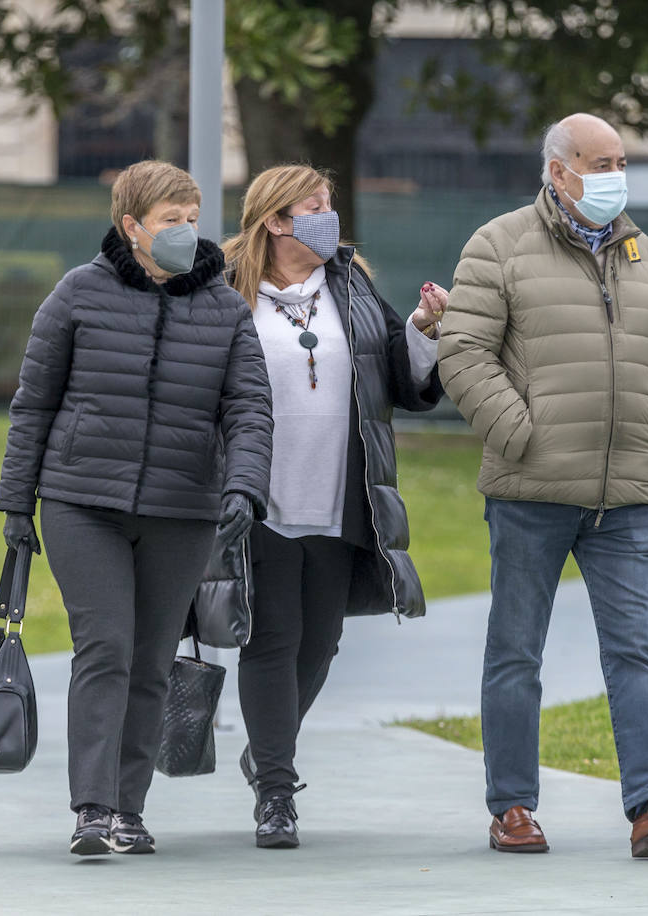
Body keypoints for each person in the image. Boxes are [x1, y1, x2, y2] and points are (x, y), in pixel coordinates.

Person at [438, 114, 648, 858]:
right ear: (558, 170)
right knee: (517, 653)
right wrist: (522, 433)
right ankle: (512, 808)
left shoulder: (646, 255)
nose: (613, 173)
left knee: (636, 653)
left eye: (620, 160)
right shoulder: (499, 245)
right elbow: (462, 352)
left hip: (625, 498)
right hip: (530, 493)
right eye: (598, 161)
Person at [0, 160, 272, 857]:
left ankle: (128, 807)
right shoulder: (77, 296)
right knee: (107, 647)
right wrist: (15, 503)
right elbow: (34, 403)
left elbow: (248, 408)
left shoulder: (224, 308)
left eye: (191, 219)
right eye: (168, 221)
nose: (184, 232)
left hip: (182, 510)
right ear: (131, 227)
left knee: (151, 659)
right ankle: (91, 808)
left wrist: (244, 485)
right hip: (81, 502)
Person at [211, 164, 443, 849]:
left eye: (329, 204)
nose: (327, 216)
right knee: (273, 639)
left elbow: (400, 378)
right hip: (260, 499)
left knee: (323, 641)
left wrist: (427, 330)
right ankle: (276, 794)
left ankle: (267, 749)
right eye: (312, 206)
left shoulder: (352, 282)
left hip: (342, 495)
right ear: (276, 221)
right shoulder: (226, 291)